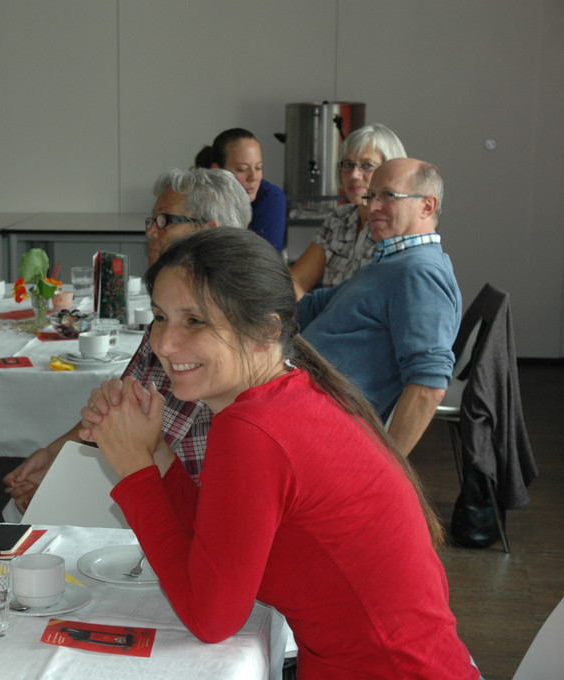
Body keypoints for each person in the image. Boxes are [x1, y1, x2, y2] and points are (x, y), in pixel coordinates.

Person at [80, 227, 479, 679]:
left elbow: (210, 619)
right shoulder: (297, 393)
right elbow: (219, 541)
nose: (164, 344)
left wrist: (135, 471)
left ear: (266, 331)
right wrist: (153, 450)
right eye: (159, 317)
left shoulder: (253, 430)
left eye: (194, 321)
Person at [3, 167, 249, 512]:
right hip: (152, 481)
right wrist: (56, 454)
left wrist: (70, 485)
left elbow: (161, 453)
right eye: (152, 220)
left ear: (209, 230)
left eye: (164, 221)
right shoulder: (170, 316)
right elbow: (123, 402)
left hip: (194, 505)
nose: (151, 231)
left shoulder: (229, 331)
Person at [298, 158, 461, 456]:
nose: (372, 207)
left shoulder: (420, 273)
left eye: (388, 196)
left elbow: (428, 388)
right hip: (296, 392)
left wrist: (388, 470)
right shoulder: (392, 261)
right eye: (371, 196)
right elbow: (318, 306)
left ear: (427, 206)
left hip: (316, 416)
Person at [288, 123, 407, 297]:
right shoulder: (339, 218)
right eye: (348, 165)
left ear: (391, 171)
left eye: (367, 165)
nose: (354, 175)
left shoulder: (397, 229)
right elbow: (296, 281)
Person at [194, 127, 286, 252]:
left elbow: (260, 259)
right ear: (218, 171)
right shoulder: (197, 198)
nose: (253, 177)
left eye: (258, 167)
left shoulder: (270, 198)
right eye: (242, 169)